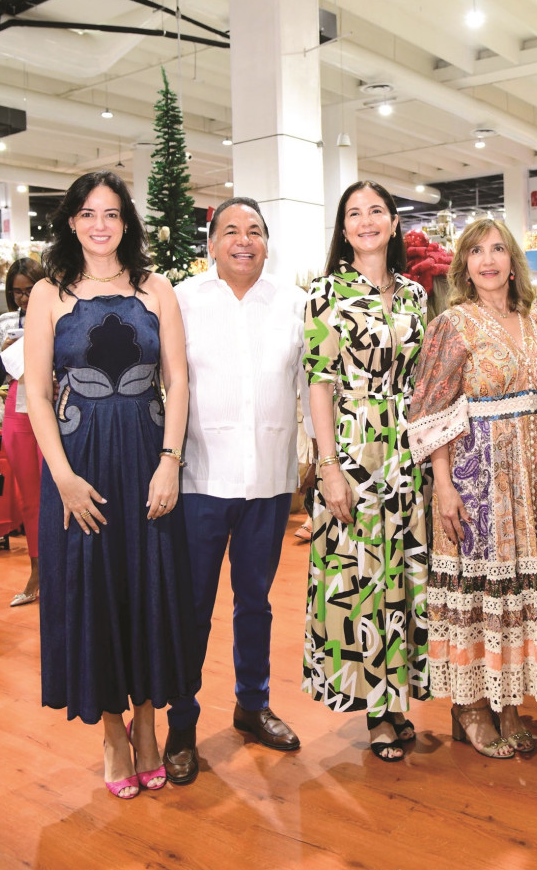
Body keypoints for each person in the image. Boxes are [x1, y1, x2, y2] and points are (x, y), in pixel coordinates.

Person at [24, 170, 198, 800]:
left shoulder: (157, 288)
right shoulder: (48, 293)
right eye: (89, 214)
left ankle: (148, 728)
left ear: (127, 223)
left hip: (148, 459)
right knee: (93, 592)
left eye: (113, 214)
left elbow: (176, 381)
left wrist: (171, 460)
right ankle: (111, 735)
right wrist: (63, 477)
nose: (101, 225)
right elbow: (37, 394)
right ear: (72, 221)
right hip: (81, 466)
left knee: (152, 589)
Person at [165, 196, 313, 784]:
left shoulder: (294, 305)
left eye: (254, 231)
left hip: (269, 482)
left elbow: (312, 384)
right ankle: (181, 723)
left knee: (256, 602)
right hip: (200, 479)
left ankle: (252, 704)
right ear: (212, 244)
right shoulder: (182, 301)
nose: (243, 241)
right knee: (193, 607)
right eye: (230, 231)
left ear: (267, 243)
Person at [408, 218, 537, 759]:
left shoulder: (536, 319)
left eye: (498, 248)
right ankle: (470, 707)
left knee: (518, 598)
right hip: (478, 478)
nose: (489, 259)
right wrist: (444, 485)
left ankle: (510, 703)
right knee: (480, 597)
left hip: (531, 474)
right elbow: (430, 410)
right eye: (477, 251)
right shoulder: (453, 325)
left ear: (513, 258)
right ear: (464, 265)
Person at [302, 180, 429, 763]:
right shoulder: (325, 293)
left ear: (394, 222)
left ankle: (398, 700)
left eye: (376, 211)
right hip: (352, 449)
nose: (366, 221)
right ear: (344, 228)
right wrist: (328, 467)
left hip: (407, 452)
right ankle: (375, 712)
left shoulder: (413, 295)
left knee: (402, 577)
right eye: (355, 214)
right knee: (361, 578)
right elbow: (319, 383)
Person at [0, 258, 45, 606]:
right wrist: (6, 354)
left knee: (58, 490)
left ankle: (69, 569)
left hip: (52, 402)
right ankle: (37, 570)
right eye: (17, 292)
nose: (24, 298)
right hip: (18, 404)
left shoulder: (55, 310)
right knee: (29, 494)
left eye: (29, 290)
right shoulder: (4, 321)